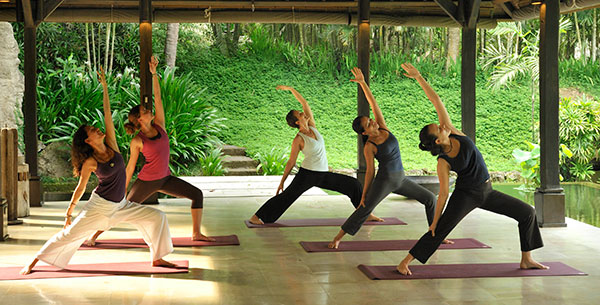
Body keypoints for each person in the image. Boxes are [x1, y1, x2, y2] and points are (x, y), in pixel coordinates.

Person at [396, 63, 547, 275]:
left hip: (487, 191)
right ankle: (405, 262)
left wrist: (419, 77)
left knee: (527, 213)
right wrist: (435, 220)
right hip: (466, 195)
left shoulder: (453, 132)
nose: (442, 126)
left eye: (439, 125)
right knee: (438, 231)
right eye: (439, 129)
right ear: (438, 140)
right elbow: (443, 194)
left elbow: (436, 100)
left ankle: (526, 259)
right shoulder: (443, 162)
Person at [20, 68, 174, 275]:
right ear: (88, 141)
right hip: (99, 207)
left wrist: (104, 87)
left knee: (157, 216)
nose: (98, 129)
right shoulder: (90, 162)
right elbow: (81, 187)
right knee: (69, 235)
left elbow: (108, 116)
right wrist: (69, 212)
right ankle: (33, 262)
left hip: (121, 205)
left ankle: (158, 258)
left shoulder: (112, 146)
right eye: (93, 131)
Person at [85, 56, 213, 245]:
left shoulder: (160, 126)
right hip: (146, 182)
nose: (149, 110)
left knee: (197, 195)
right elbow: (129, 167)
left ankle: (196, 233)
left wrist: (154, 74)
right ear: (139, 119)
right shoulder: (137, 141)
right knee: (120, 210)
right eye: (145, 110)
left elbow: (159, 98)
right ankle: (93, 236)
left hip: (166, 178)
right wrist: (122, 187)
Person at [328, 67, 443, 249]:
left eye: (370, 119)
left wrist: (363, 83)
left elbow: (374, 104)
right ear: (365, 132)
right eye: (368, 123)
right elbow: (370, 172)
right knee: (364, 209)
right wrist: (365, 194)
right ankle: (338, 237)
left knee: (430, 198)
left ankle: (435, 233)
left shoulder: (383, 128)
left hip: (401, 179)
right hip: (384, 181)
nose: (373, 120)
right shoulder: (369, 146)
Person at [249, 85, 382, 225]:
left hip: (323, 174)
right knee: (288, 196)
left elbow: (304, 103)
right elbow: (291, 162)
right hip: (307, 174)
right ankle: (257, 217)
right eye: (300, 114)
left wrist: (291, 89)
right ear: (297, 122)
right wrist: (282, 181)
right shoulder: (299, 139)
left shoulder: (312, 127)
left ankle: (366, 214)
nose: (303, 113)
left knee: (353, 184)